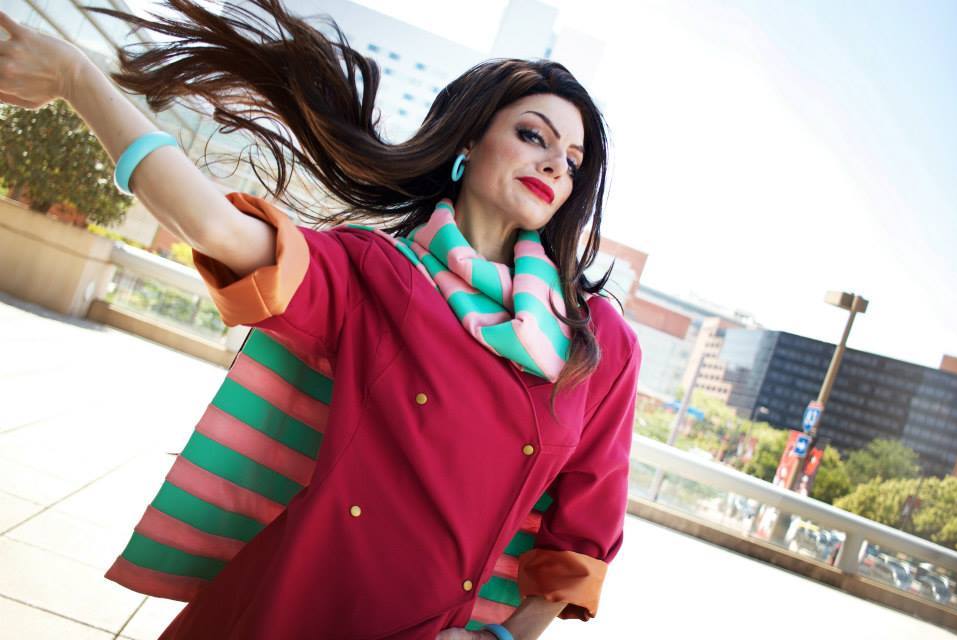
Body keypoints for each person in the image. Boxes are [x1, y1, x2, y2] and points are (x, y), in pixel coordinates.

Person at [0, 1, 642, 638]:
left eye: (573, 161)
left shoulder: (597, 346)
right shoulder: (373, 274)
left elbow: (580, 538)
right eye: (533, 135)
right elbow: (213, 226)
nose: (555, 164)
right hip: (291, 608)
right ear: (468, 142)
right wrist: (76, 78)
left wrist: (503, 638)